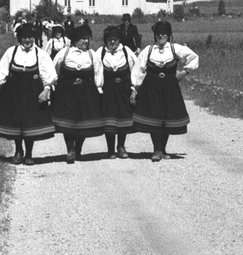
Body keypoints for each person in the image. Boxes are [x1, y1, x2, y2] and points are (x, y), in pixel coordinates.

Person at [0, 23, 58, 165]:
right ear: (19, 38)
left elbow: (50, 74)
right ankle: (18, 151)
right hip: (14, 92)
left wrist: (46, 89)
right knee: (15, 122)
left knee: (30, 123)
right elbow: (2, 72)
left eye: (30, 37)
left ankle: (29, 154)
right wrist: (5, 87)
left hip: (33, 91)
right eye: (24, 37)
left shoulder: (40, 54)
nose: (28, 40)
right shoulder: (11, 52)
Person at [131, 20, 198, 162]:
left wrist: (184, 72)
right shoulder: (148, 50)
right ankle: (156, 150)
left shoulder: (175, 49)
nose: (161, 36)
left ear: (168, 35)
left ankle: (163, 149)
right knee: (154, 118)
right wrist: (135, 89)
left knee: (167, 118)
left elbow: (194, 57)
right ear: (155, 35)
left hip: (170, 88)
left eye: (164, 34)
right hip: (151, 88)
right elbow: (139, 70)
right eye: (158, 34)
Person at [51, 23, 105, 163]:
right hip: (67, 92)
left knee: (83, 122)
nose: (86, 41)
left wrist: (98, 90)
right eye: (83, 39)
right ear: (75, 40)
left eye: (87, 38)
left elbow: (98, 72)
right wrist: (54, 86)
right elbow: (54, 69)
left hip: (86, 92)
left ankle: (78, 149)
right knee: (67, 122)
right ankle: (70, 150)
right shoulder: (65, 53)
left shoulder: (92, 55)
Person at [97, 25, 137, 158]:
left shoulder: (126, 51)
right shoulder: (101, 52)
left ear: (119, 39)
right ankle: (110, 149)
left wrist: (134, 89)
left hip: (124, 90)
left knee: (123, 118)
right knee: (109, 120)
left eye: (115, 39)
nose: (113, 42)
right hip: (107, 91)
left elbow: (136, 69)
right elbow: (95, 71)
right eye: (110, 39)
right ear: (106, 40)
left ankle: (121, 146)